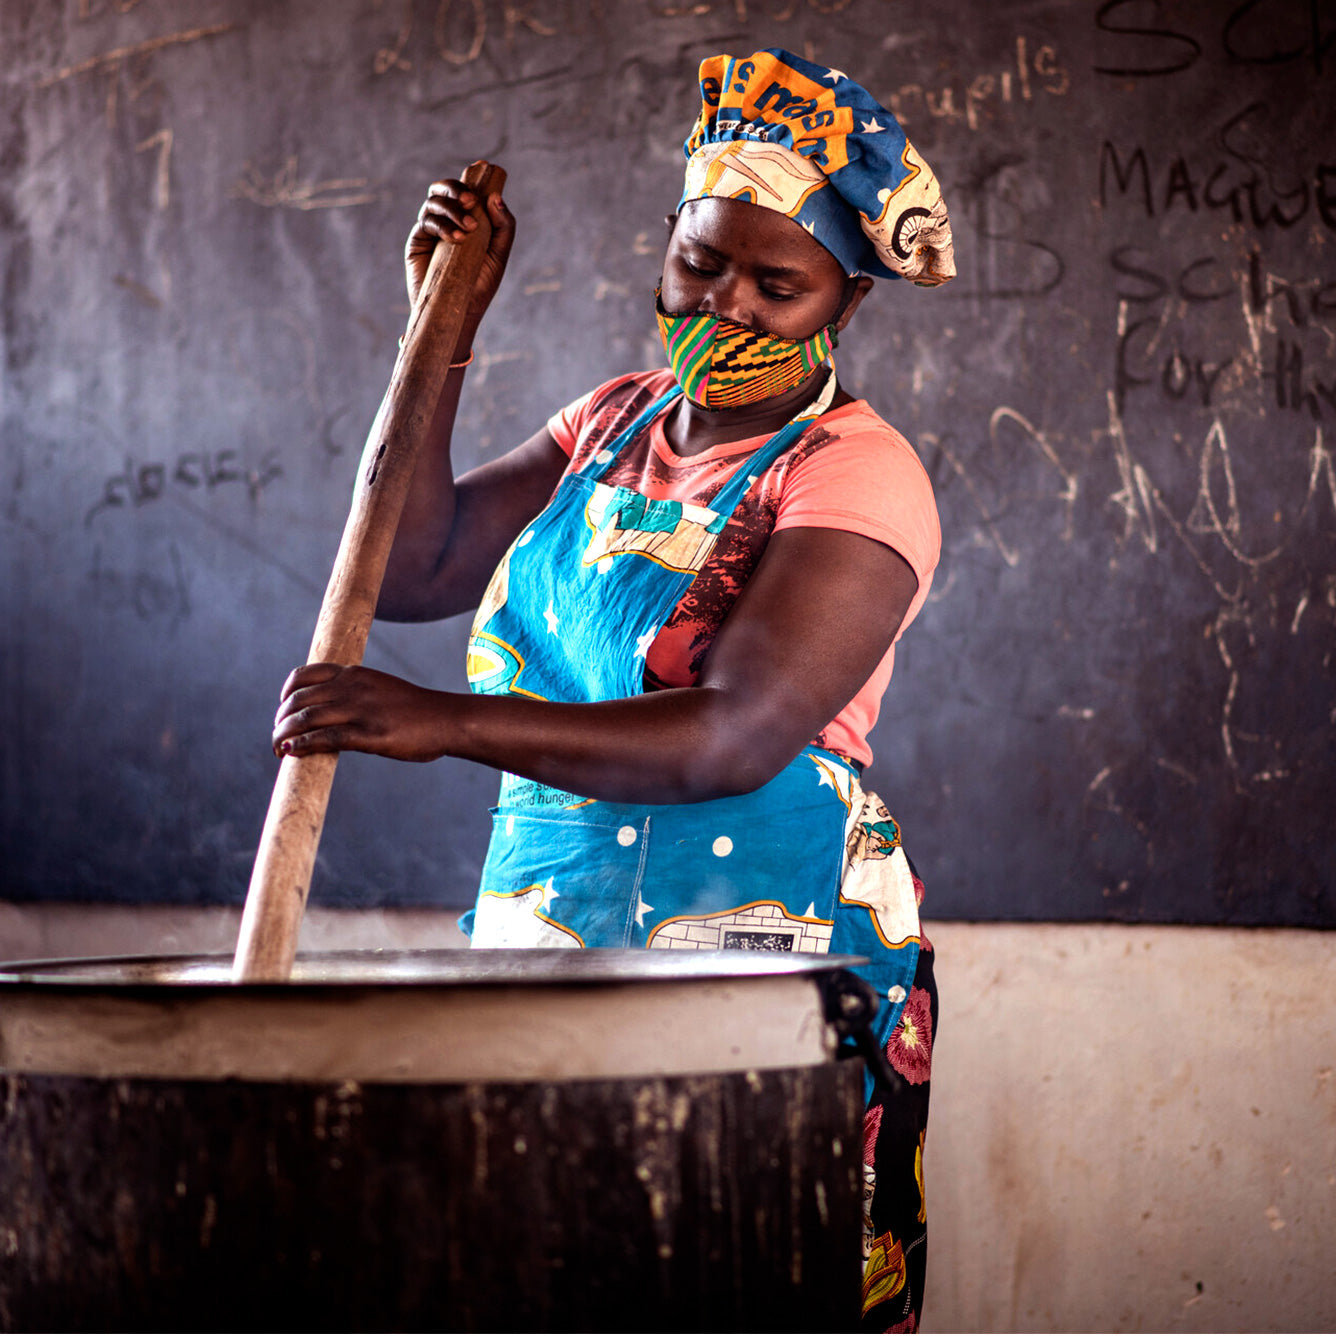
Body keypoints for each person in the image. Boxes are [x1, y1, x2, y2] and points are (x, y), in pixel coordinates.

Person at [272, 48, 954, 1331]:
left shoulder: (856, 475)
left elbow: (733, 733)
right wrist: (442, 333)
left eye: (778, 284)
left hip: (763, 944)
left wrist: (445, 723)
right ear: (665, 249)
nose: (728, 308)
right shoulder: (611, 423)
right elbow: (409, 566)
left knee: (740, 1283)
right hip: (553, 925)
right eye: (703, 263)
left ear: (842, 306)